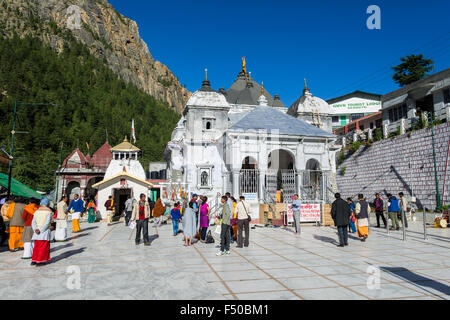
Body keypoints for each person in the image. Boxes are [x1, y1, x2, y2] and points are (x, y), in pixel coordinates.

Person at [31, 198, 53, 266]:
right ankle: (40, 261)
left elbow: (33, 222)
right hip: (44, 232)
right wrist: (40, 230)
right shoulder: (49, 212)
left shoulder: (36, 211)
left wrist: (36, 229)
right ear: (47, 204)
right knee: (43, 247)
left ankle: (34, 260)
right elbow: (47, 223)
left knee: (36, 247)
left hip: (36, 232)